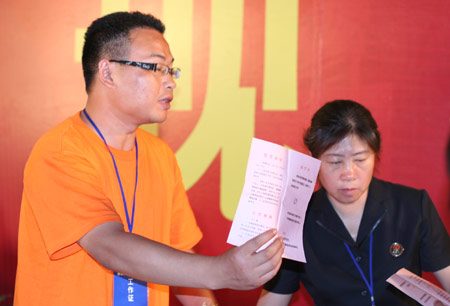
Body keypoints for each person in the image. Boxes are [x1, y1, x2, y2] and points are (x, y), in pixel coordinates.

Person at [14, 11, 284, 306]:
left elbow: (180, 255)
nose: (170, 82)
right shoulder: (61, 152)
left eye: (171, 70)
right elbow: (108, 244)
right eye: (156, 67)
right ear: (107, 73)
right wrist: (221, 271)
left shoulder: (160, 155)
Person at [257, 100, 450, 305]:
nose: (349, 174)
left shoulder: (412, 207)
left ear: (375, 155)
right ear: (314, 160)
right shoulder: (296, 222)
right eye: (335, 162)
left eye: (360, 159)